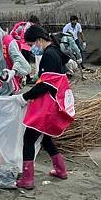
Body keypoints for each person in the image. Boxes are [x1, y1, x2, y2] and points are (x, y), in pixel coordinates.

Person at [15, 25, 74, 190]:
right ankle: (61, 170)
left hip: (47, 106)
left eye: (32, 44)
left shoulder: (49, 55)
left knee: (28, 139)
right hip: (53, 104)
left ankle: (27, 179)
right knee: (46, 137)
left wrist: (24, 96)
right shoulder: (55, 51)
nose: (32, 48)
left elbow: (46, 85)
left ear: (39, 40)